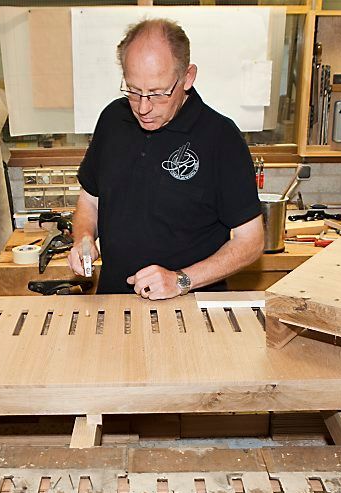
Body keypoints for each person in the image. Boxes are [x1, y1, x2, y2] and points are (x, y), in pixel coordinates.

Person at [67, 18, 264, 299]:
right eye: (134, 91)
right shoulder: (113, 119)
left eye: (158, 93)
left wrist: (181, 280)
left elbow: (251, 242)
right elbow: (90, 201)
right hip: (113, 301)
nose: (144, 107)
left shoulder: (220, 138)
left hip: (189, 307)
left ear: (188, 77)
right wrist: (84, 238)